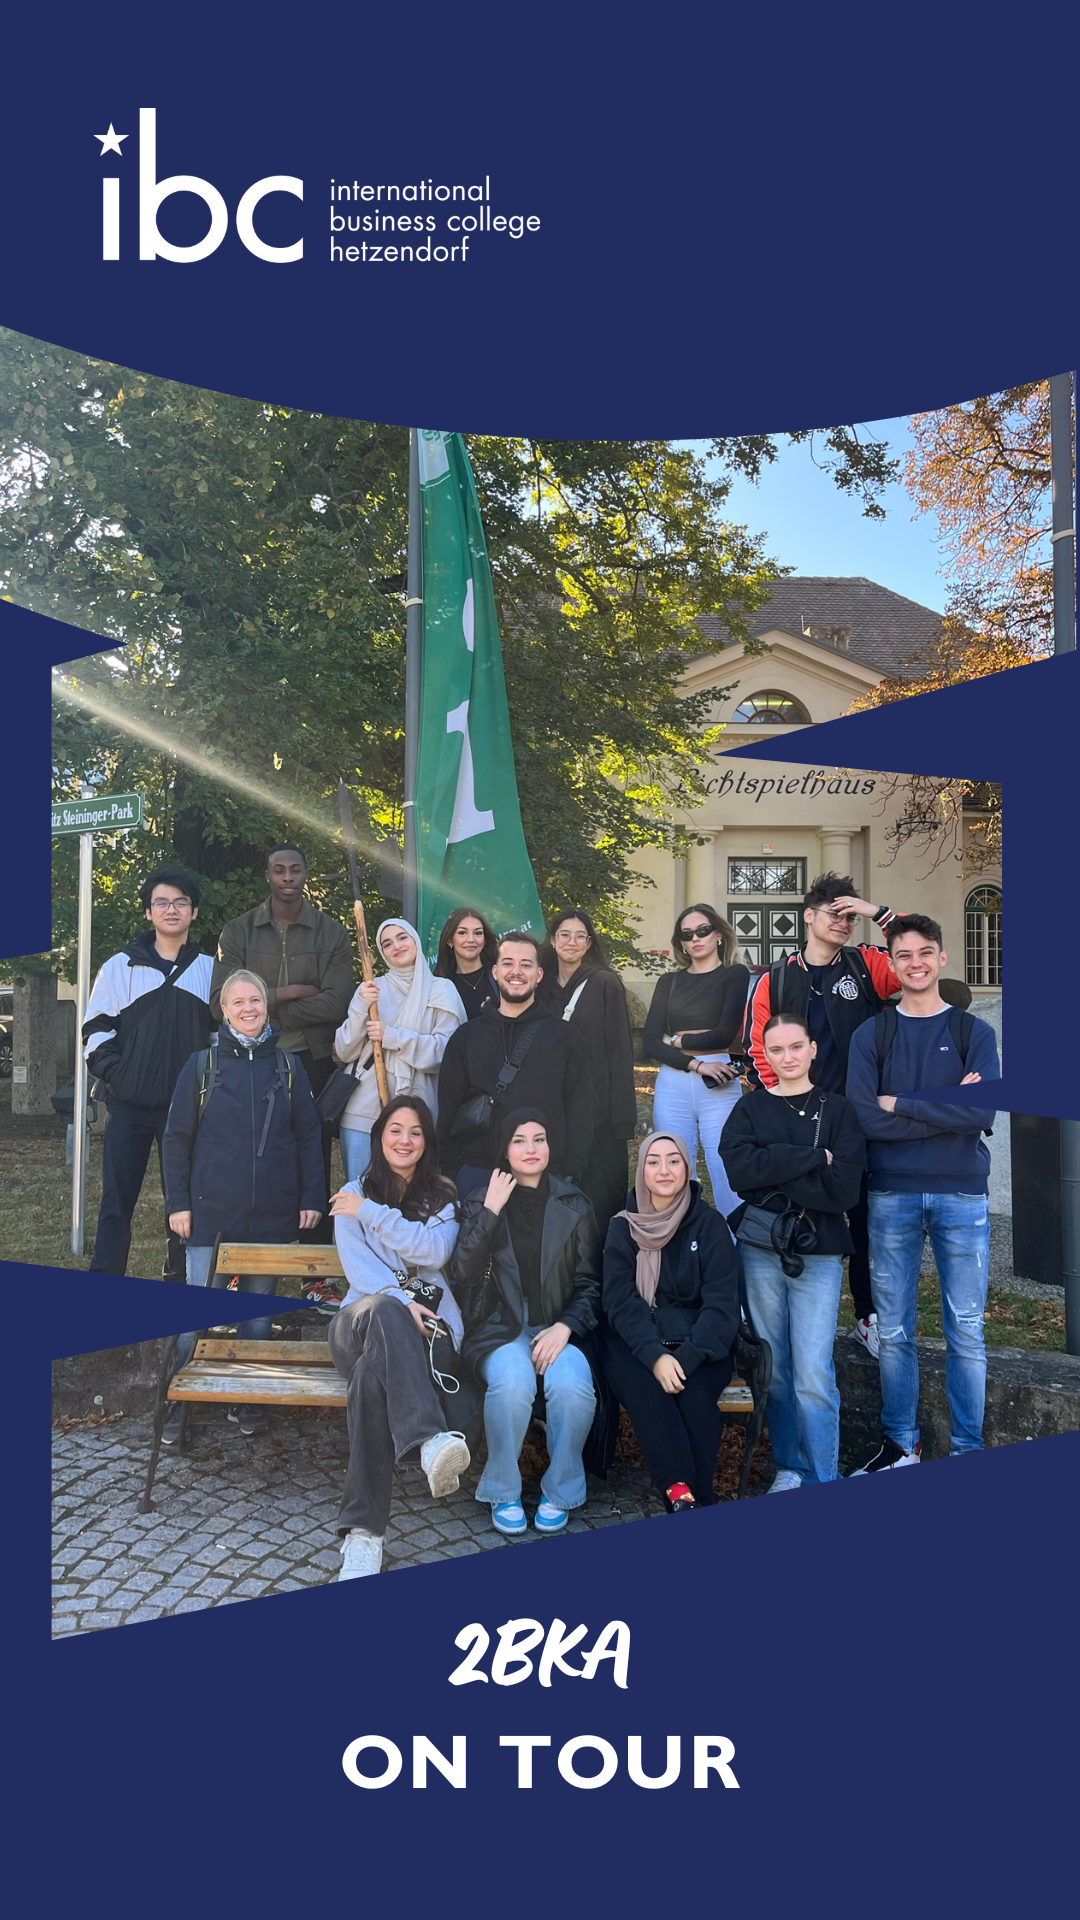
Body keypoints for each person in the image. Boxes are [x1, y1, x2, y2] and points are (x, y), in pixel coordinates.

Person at [845, 914, 999, 1472]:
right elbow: (865, 1117)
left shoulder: (973, 1033)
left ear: (942, 957)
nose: (916, 963)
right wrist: (946, 1105)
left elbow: (981, 1112)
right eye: (904, 955)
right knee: (894, 1331)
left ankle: (967, 1450)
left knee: (967, 1332)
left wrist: (903, 1102)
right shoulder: (873, 1034)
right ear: (892, 964)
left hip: (963, 1196)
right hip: (891, 1195)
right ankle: (900, 1446)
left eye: (925, 952)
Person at [161, 969, 325, 1440]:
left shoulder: (288, 1067)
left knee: (258, 1315)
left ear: (266, 1007)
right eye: (239, 1002)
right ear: (224, 1010)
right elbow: (176, 1139)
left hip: (273, 1212)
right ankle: (177, 1402)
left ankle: (247, 1396)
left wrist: (311, 1196)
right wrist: (178, 1204)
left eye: (255, 1000)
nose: (248, 1008)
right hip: (210, 1211)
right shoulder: (202, 1065)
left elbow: (309, 1135)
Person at [747, 872, 902, 1359]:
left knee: (865, 1220)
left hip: (858, 1116)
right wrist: (785, 1106)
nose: (843, 923)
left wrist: (876, 913)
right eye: (834, 913)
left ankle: (868, 1316)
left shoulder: (866, 963)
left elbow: (914, 956)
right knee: (795, 1210)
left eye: (850, 916)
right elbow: (759, 1048)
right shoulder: (776, 978)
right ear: (808, 916)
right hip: (798, 1116)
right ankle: (782, 1316)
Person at [720, 1012, 865, 1490]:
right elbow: (740, 1174)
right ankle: (790, 1466)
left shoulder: (839, 1111)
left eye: (796, 1047)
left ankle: (824, 1475)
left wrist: (772, 1172)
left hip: (819, 1254)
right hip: (761, 1251)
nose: (787, 1057)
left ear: (813, 1049)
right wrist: (811, 1158)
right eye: (776, 1049)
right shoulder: (750, 1109)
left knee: (813, 1375)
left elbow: (843, 1189)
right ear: (765, 1055)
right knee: (776, 1369)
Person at [326, 1095, 469, 1579]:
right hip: (357, 1323)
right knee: (385, 1308)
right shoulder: (351, 1192)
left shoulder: (442, 1197)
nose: (404, 1140)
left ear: (426, 1142)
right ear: (379, 1136)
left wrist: (370, 1213)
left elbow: (433, 1250)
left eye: (415, 1132)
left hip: (429, 1338)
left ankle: (363, 1536)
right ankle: (428, 1439)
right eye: (395, 1130)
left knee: (371, 1380)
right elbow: (359, 1270)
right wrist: (401, 1300)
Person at [452, 1108, 600, 1536]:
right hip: (501, 1329)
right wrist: (490, 1212)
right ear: (505, 1148)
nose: (531, 1149)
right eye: (519, 1140)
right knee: (513, 1383)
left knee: (572, 1386)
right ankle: (502, 1489)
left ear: (550, 1146)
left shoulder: (575, 1203)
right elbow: (462, 1272)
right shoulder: (481, 1199)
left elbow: (591, 1283)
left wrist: (565, 1326)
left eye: (539, 1139)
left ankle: (561, 1490)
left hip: (558, 1326)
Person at [83, 866, 214, 1279]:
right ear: (148, 911)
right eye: (162, 902)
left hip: (187, 1108)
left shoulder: (211, 970)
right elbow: (95, 1031)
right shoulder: (119, 967)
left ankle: (180, 1278)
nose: (171, 910)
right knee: (116, 1201)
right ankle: (106, 1279)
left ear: (194, 911)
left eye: (180, 902)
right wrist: (120, 1076)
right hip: (129, 1105)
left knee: (184, 1200)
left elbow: (220, 1038)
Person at [212, 843, 354, 1222]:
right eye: (279, 870)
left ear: (305, 875)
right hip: (252, 1057)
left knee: (314, 1150)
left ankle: (314, 1242)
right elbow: (219, 1002)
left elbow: (337, 1003)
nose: (287, 877)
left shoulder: (331, 933)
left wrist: (268, 1009)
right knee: (251, 1147)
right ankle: (255, 1235)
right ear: (267, 875)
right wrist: (288, 993)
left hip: (312, 1059)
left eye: (295, 869)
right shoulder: (238, 931)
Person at [602, 1132, 739, 1511]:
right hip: (636, 1342)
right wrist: (655, 1356)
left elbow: (721, 1306)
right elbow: (619, 1302)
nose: (664, 1170)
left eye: (673, 1160)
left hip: (700, 1343)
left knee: (696, 1399)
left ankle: (694, 1499)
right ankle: (681, 1492)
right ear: (642, 1170)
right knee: (649, 1391)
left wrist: (686, 1359)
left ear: (687, 1168)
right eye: (654, 1161)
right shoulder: (623, 1227)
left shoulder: (710, 1225)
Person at [436, 931, 593, 1198]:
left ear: (539, 975)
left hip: (544, 1176)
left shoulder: (565, 1037)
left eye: (526, 964)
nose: (516, 972)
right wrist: (452, 1172)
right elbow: (448, 1110)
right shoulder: (466, 1037)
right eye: (508, 963)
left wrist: (570, 1173)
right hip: (477, 1174)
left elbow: (580, 1110)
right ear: (495, 972)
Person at [334, 917, 465, 1183]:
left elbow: (446, 1054)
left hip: (417, 1115)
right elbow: (345, 1051)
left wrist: (392, 1037)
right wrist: (360, 1007)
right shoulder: (371, 989)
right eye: (387, 943)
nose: (397, 946)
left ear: (415, 940)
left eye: (402, 937)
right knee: (361, 1195)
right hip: (364, 1113)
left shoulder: (442, 990)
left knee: (412, 1197)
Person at [643, 904, 749, 1218]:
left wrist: (677, 1040)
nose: (695, 938)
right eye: (687, 934)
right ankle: (677, 1238)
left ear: (718, 934)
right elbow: (650, 1042)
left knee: (726, 1167)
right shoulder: (669, 982)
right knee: (673, 1167)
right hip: (674, 1081)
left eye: (703, 930)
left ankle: (736, 1241)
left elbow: (724, 1033)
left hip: (719, 1078)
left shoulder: (734, 974)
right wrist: (696, 1063)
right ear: (681, 943)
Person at [538, 908, 638, 1239]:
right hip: (552, 1109)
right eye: (564, 935)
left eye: (580, 936)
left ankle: (605, 1264)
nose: (572, 941)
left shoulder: (605, 984)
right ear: (553, 940)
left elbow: (620, 1053)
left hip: (599, 1113)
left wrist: (622, 1119)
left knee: (601, 1199)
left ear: (589, 942)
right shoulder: (540, 985)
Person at [435, 906, 499, 1020]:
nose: (471, 939)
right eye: (462, 933)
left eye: (478, 933)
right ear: (450, 940)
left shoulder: (500, 977)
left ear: (484, 940)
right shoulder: (440, 986)